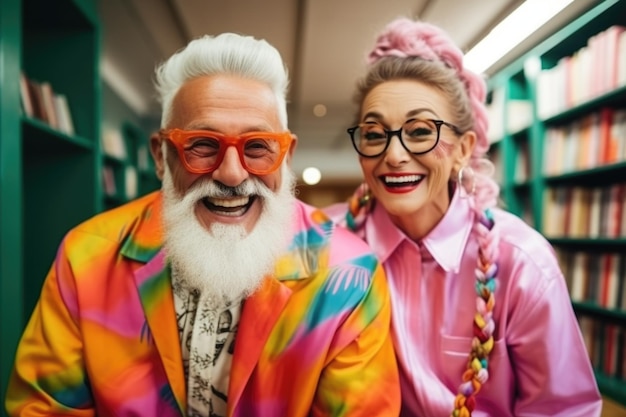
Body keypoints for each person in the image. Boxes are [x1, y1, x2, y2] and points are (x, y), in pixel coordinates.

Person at [4, 33, 401, 417]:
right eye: (203, 145)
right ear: (161, 156)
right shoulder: (86, 257)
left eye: (257, 146)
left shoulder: (350, 276)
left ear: (285, 156)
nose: (231, 174)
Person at [326, 18, 602, 417]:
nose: (394, 155)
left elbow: (563, 410)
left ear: (462, 148)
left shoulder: (521, 264)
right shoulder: (326, 245)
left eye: (420, 131)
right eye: (373, 134)